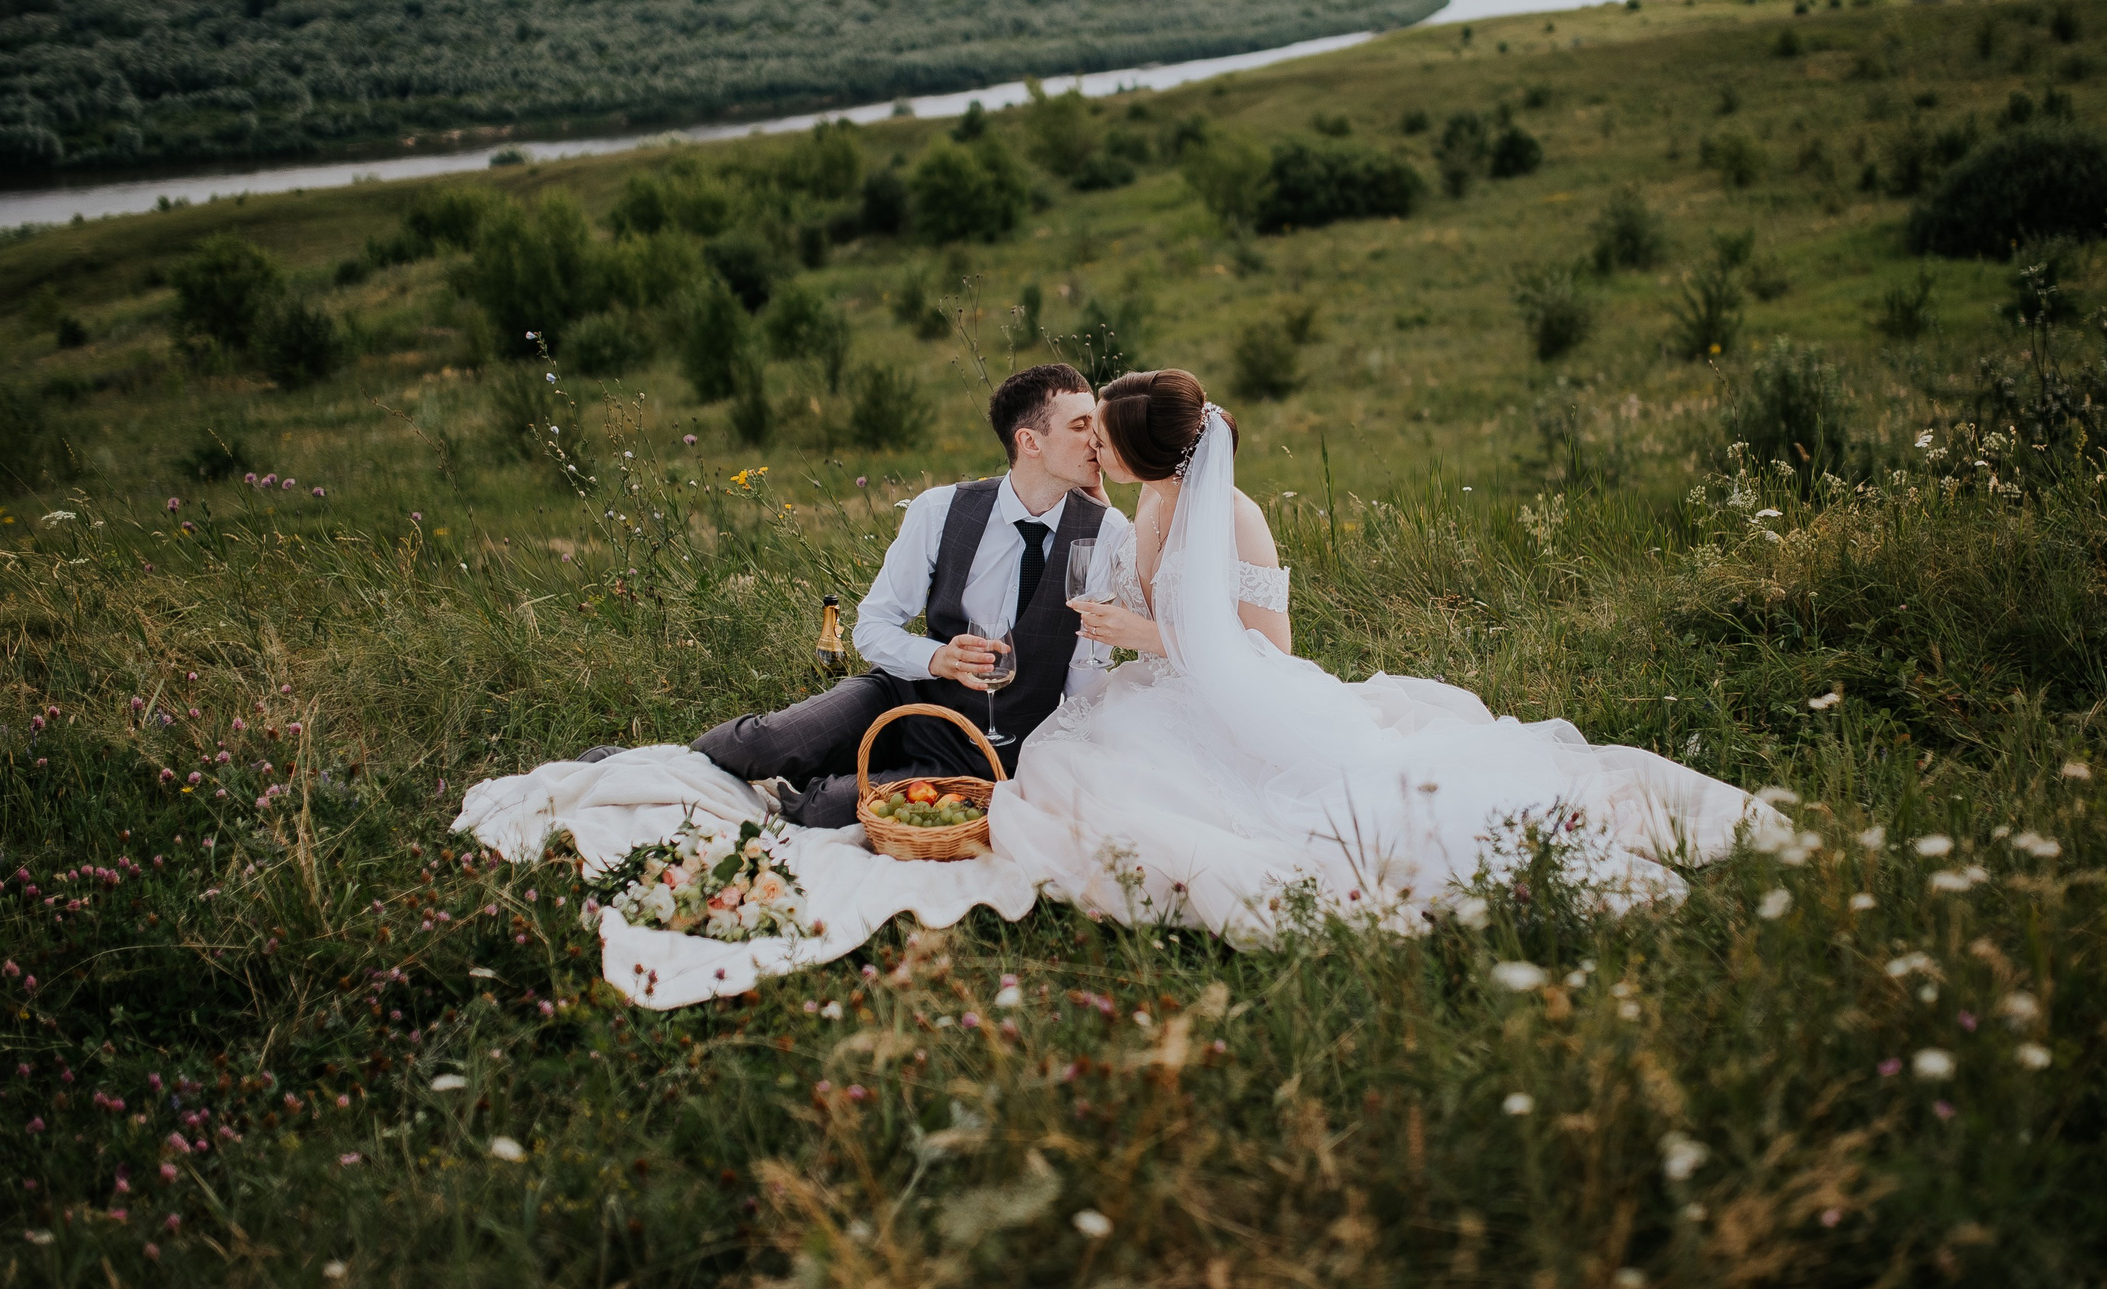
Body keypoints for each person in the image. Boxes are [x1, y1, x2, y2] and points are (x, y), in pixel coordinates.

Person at [986, 368, 1779, 941]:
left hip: (1243, 706)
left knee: (1158, 802)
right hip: (1161, 691)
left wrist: (1150, 637)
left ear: (1144, 453)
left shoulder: (1235, 516)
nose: (1096, 447)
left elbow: (1269, 650)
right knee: (1061, 771)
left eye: (1106, 437)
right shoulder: (1142, 505)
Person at [654, 362, 1127, 827]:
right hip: (901, 697)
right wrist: (938, 658)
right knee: (761, 744)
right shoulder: (941, 509)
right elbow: (872, 627)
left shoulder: (1105, 532)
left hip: (988, 746)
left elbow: (1086, 670)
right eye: (1081, 425)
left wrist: (1059, 763)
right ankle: (643, 772)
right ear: (1030, 442)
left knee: (827, 809)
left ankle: (793, 791)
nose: (1097, 439)